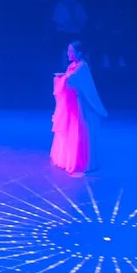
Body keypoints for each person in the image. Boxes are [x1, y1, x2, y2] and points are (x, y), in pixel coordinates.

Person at [49, 41, 107, 176]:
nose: (68, 54)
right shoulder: (73, 66)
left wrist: (62, 78)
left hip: (79, 105)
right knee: (68, 129)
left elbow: (72, 81)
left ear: (79, 53)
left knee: (78, 130)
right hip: (71, 103)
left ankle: (79, 161)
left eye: (71, 51)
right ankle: (67, 159)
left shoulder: (82, 67)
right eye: (68, 51)